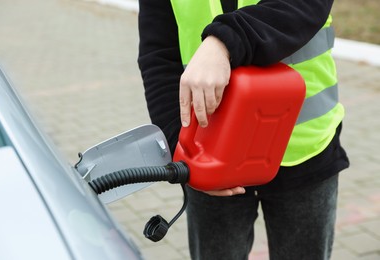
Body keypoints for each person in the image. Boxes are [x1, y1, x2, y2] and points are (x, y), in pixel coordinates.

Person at [137, 0, 350, 259]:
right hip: (210, 151)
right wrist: (181, 147)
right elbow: (159, 52)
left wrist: (224, 41)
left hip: (303, 146)